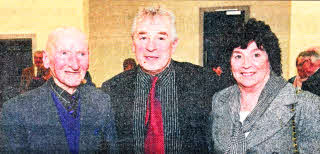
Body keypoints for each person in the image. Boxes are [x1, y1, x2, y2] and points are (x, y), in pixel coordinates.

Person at [101, 6, 220, 153]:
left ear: (174, 44)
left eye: (161, 38)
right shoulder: (112, 90)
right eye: (143, 37)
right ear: (133, 43)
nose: (151, 47)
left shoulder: (203, 82)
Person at [210, 18, 320, 153]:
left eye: (256, 55)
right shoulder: (219, 100)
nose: (246, 64)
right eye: (238, 56)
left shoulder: (306, 105)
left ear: (271, 59)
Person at [0, 27, 117, 153]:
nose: (75, 64)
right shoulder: (17, 110)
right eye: (64, 53)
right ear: (46, 60)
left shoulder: (102, 103)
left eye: (81, 54)